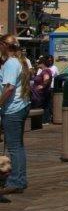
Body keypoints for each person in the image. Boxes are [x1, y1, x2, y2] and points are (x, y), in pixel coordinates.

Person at [1, 34, 32, 195]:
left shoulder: (11, 63)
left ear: (5, 46)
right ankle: (19, 179)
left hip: (12, 109)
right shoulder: (23, 61)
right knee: (18, 146)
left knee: (14, 147)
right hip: (22, 105)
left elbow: (9, 87)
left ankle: (16, 181)